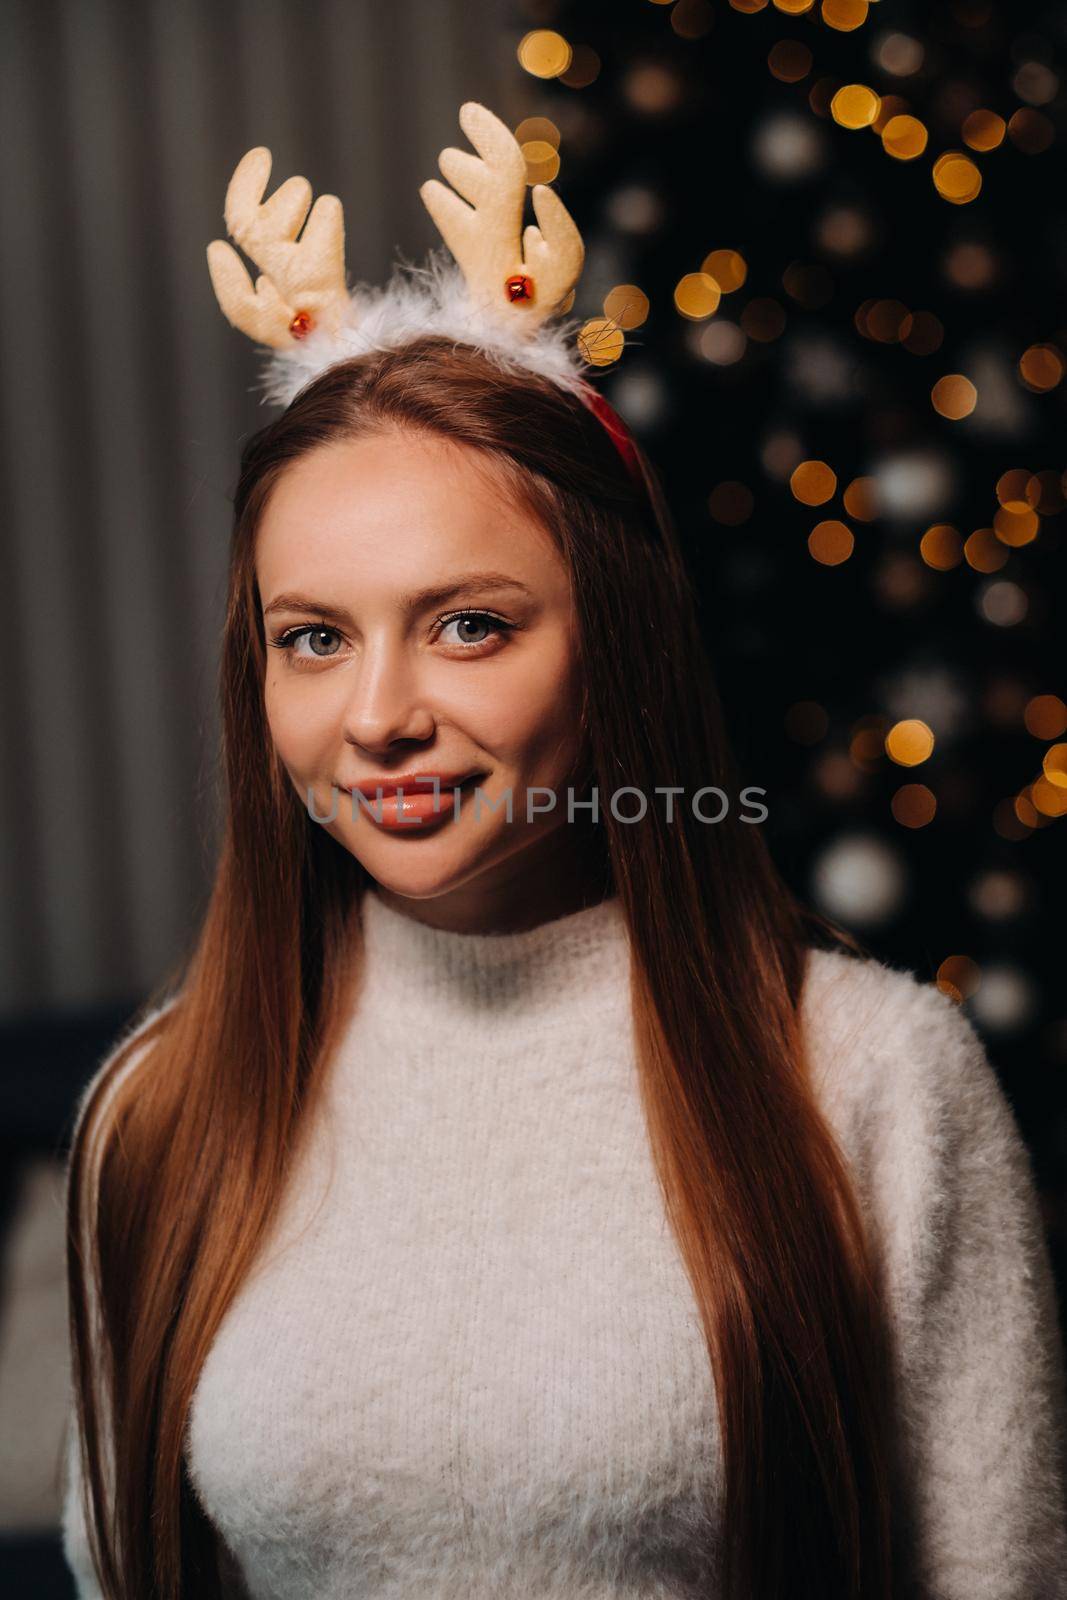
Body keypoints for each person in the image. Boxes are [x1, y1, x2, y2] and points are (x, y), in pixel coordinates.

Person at [60, 103, 1067, 1600]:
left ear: (616, 652)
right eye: (314, 640)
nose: (380, 716)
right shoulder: (159, 1110)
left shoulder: (873, 1082)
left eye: (470, 624)